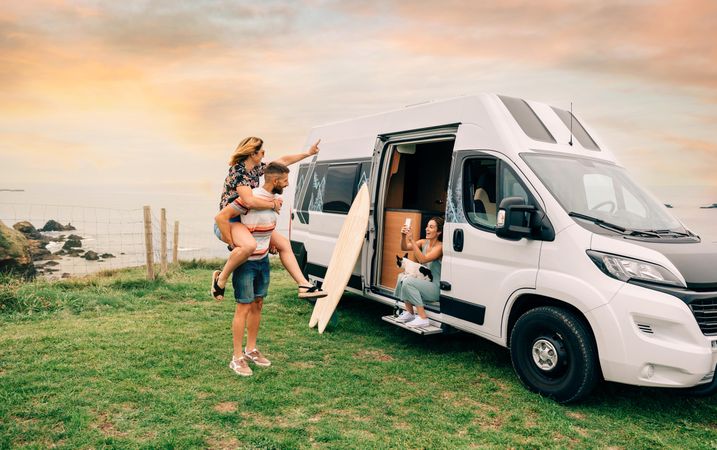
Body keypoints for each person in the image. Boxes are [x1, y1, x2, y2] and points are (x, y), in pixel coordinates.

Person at [212, 136, 325, 301]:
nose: (264, 154)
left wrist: (308, 154)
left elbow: (283, 161)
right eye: (262, 151)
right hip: (230, 222)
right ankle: (220, 279)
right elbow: (248, 201)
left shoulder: (256, 168)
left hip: (245, 221)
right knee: (249, 245)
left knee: (284, 244)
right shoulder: (239, 172)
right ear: (252, 153)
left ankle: (304, 285)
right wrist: (272, 204)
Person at [228, 162, 290, 376]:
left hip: (263, 260)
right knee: (243, 307)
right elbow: (226, 217)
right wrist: (232, 242)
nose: (287, 184)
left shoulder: (275, 201)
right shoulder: (249, 198)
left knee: (258, 304)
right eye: (285, 180)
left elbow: (265, 227)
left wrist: (270, 243)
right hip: (247, 262)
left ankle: (251, 349)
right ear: (274, 180)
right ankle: (236, 358)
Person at [394, 217, 444, 328]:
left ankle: (422, 318)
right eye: (427, 226)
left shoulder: (440, 247)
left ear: (439, 232)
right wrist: (403, 236)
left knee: (409, 281)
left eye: (431, 227)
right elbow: (404, 247)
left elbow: (423, 259)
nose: (427, 229)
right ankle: (410, 312)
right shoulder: (423, 242)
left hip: (435, 288)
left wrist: (412, 239)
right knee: (401, 276)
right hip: (425, 283)